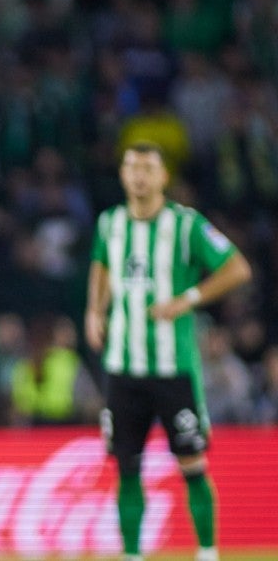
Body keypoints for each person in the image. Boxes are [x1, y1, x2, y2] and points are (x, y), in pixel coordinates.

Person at [85, 141, 252, 561]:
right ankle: (132, 554)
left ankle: (207, 552)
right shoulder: (111, 223)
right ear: (122, 175)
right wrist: (94, 309)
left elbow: (237, 267)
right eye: (131, 167)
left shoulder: (185, 225)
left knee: (191, 462)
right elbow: (101, 263)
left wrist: (188, 298)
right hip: (123, 367)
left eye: (148, 168)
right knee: (126, 467)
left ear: (163, 177)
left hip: (172, 367)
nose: (139, 175)